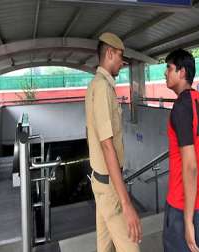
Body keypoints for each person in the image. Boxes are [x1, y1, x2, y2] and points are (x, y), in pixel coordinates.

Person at [85, 32, 142, 252]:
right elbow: (107, 145)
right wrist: (126, 204)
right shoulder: (102, 88)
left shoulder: (96, 85)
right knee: (131, 247)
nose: (122, 62)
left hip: (101, 181)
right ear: (109, 53)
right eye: (120, 56)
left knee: (105, 247)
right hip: (108, 186)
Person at [163, 49, 199, 252]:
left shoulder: (181, 107)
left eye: (169, 68)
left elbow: (190, 166)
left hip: (183, 210)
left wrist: (188, 222)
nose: (165, 73)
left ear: (181, 72)